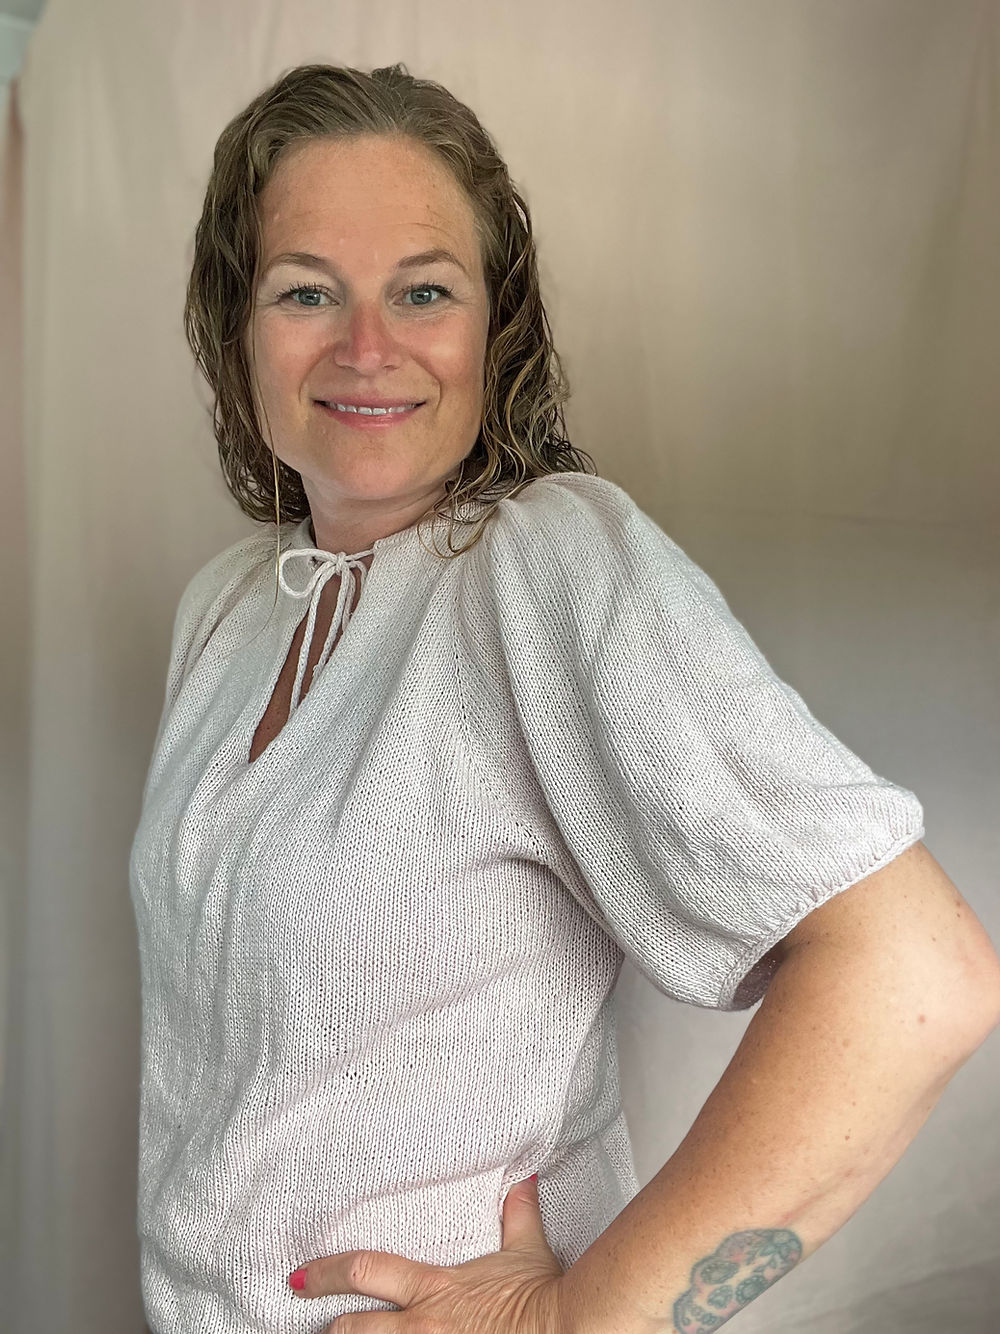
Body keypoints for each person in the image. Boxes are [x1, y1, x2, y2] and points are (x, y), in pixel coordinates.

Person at [130, 62, 1000, 1334]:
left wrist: (572, 1317)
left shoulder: (540, 566)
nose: (366, 345)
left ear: (496, 329)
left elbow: (915, 971)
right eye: (305, 290)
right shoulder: (226, 608)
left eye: (424, 290)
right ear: (237, 328)